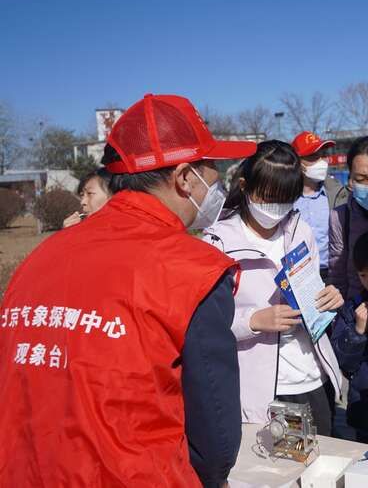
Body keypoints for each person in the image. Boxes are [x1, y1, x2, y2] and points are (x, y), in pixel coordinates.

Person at [0, 93, 254, 486]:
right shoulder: (192, 270)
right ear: (185, 177)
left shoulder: (40, 258)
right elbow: (216, 444)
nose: (217, 186)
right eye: (213, 170)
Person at [204, 140, 344, 436]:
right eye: (268, 197)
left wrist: (328, 297)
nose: (276, 209)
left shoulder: (300, 230)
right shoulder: (218, 245)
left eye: (286, 199)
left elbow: (312, 289)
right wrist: (253, 322)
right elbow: (204, 327)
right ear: (244, 186)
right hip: (257, 392)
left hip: (311, 377)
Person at [330, 231, 368, 443]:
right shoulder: (352, 307)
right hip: (363, 406)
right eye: (363, 275)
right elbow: (344, 363)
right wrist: (357, 331)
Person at [329, 135, 368, 301]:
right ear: (350, 179)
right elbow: (338, 274)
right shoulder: (341, 217)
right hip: (358, 308)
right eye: (361, 179)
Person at [291, 131, 349, 283]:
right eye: (312, 157)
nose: (321, 161)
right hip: (297, 276)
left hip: (333, 274)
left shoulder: (338, 194)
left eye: (323, 155)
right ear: (297, 162)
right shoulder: (285, 199)